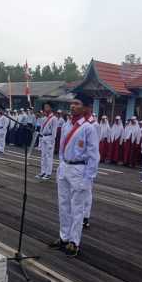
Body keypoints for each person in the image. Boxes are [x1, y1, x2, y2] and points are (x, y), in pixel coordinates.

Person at [50, 99, 99, 257]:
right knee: (63, 205)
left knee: (77, 207)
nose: (73, 106)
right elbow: (63, 147)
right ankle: (64, 237)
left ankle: (74, 241)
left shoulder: (88, 128)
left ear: (85, 108)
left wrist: (88, 178)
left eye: (78, 103)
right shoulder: (66, 125)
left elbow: (94, 156)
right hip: (65, 167)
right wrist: (61, 165)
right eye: (72, 103)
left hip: (79, 169)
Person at [36, 102, 58, 181]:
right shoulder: (44, 118)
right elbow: (41, 130)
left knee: (49, 156)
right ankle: (43, 171)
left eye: (47, 107)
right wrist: (40, 141)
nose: (46, 108)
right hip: (44, 137)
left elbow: (54, 132)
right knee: (43, 156)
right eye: (45, 107)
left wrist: (52, 142)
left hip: (49, 137)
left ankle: (48, 173)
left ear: (51, 108)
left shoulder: (54, 118)